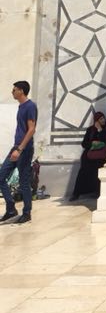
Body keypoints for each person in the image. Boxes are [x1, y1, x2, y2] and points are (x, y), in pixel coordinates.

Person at [0, 81, 37, 224]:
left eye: (14, 89)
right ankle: (10, 209)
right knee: (1, 177)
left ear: (21, 91)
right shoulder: (21, 107)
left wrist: (20, 149)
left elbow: (31, 129)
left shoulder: (30, 106)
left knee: (23, 181)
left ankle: (26, 213)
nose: (12, 92)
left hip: (24, 149)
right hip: (16, 147)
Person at [69, 111, 106, 200]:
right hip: (89, 156)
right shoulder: (90, 129)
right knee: (83, 172)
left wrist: (100, 130)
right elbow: (84, 143)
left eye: (103, 118)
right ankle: (76, 193)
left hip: (101, 156)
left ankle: (98, 192)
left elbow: (105, 140)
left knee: (98, 172)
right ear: (96, 120)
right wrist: (92, 143)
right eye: (100, 119)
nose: (103, 120)